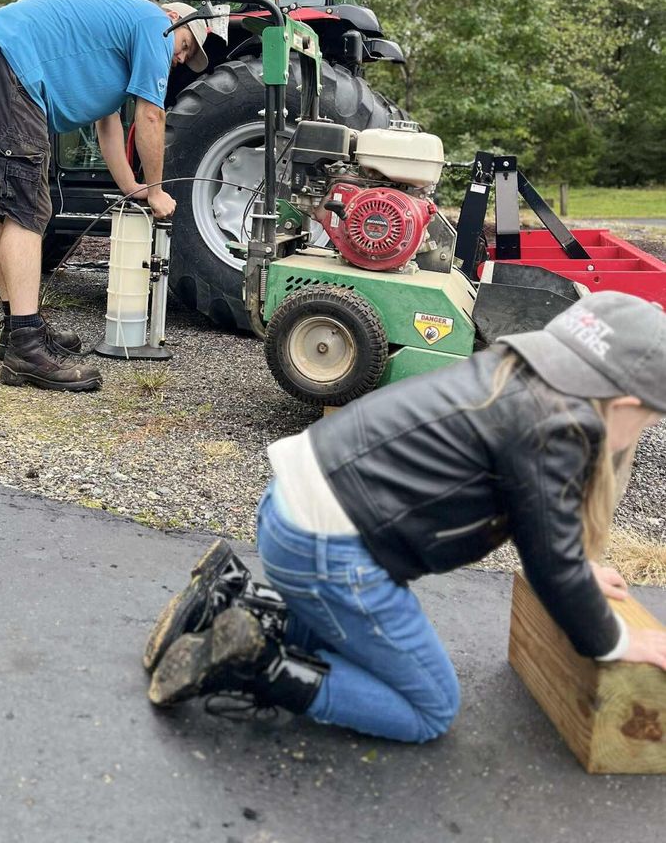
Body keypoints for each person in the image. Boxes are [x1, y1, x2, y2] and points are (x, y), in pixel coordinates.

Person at [144, 292, 666, 741]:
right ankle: (254, 667)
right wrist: (615, 640)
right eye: (648, 418)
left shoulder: (512, 377)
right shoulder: (561, 427)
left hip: (292, 512)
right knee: (430, 707)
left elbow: (543, 528)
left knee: (351, 632)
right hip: (328, 551)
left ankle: (228, 604)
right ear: (623, 403)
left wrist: (578, 571)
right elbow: (552, 565)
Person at [0, 0, 223, 393]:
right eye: (186, 47)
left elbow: (108, 124)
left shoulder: (117, 41)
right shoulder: (155, 24)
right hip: (2, 63)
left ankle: (17, 329)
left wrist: (132, 186)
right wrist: (158, 190)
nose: (179, 59)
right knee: (25, 211)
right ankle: (26, 348)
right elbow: (151, 115)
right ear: (175, 20)